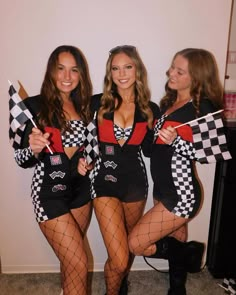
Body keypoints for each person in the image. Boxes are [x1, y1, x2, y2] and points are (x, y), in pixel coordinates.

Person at [128, 48, 224, 295]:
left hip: (181, 193)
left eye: (180, 71)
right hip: (162, 187)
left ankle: (190, 256)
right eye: (173, 67)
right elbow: (152, 151)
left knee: (136, 243)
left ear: (196, 77)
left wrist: (176, 141)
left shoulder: (203, 108)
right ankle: (177, 288)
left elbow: (208, 155)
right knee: (177, 236)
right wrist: (145, 128)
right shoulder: (168, 104)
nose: (171, 73)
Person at [78, 45, 160, 295]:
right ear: (109, 73)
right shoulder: (96, 103)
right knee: (120, 257)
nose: (122, 73)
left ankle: (119, 283)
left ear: (138, 70)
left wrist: (164, 138)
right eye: (116, 68)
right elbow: (82, 139)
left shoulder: (150, 109)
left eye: (128, 66)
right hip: (104, 183)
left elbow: (149, 152)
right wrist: (82, 160)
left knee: (125, 249)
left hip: (136, 184)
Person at [12, 45, 93, 295]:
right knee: (79, 263)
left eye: (74, 70)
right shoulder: (32, 107)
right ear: (51, 71)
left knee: (71, 262)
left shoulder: (84, 107)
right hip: (48, 193)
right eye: (61, 69)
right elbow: (21, 159)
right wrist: (34, 149)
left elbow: (89, 147)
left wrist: (86, 162)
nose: (67, 77)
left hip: (80, 191)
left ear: (81, 75)